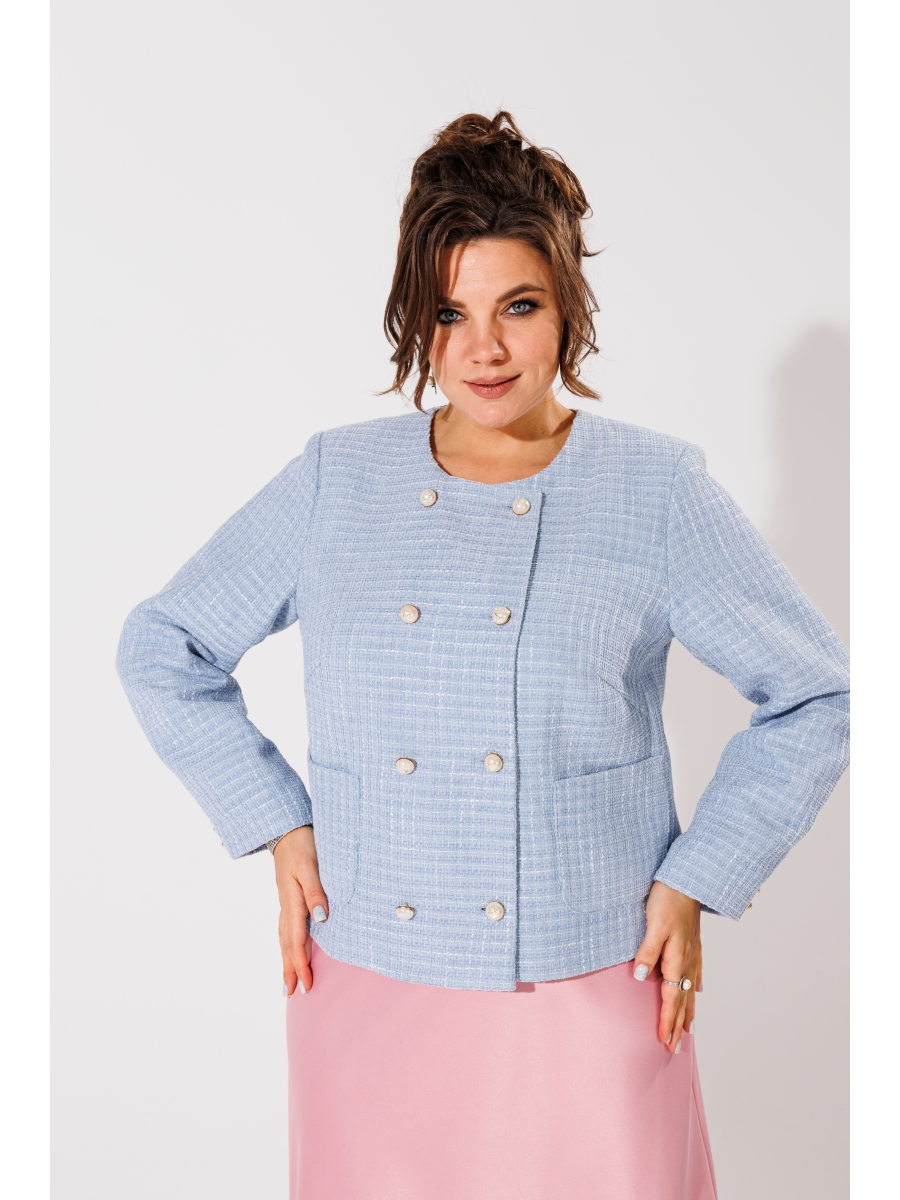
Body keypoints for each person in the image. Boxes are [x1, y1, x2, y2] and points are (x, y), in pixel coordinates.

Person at [117, 112, 849, 1200]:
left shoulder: (654, 489)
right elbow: (163, 645)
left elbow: (816, 695)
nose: (484, 351)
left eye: (519, 306)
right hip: (369, 975)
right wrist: (274, 819)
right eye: (448, 312)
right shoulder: (337, 480)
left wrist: (698, 880)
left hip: (594, 976)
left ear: (569, 307)